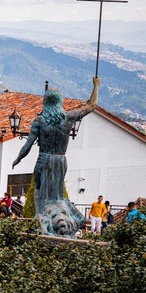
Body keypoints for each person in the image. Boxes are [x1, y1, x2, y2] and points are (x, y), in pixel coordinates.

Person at [12, 77, 99, 237]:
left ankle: (46, 226)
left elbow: (28, 145)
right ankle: (59, 222)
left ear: (46, 103)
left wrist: (18, 159)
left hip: (43, 160)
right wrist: (96, 85)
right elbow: (91, 105)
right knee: (57, 196)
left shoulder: (39, 120)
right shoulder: (68, 117)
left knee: (41, 196)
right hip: (60, 161)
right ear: (60, 102)